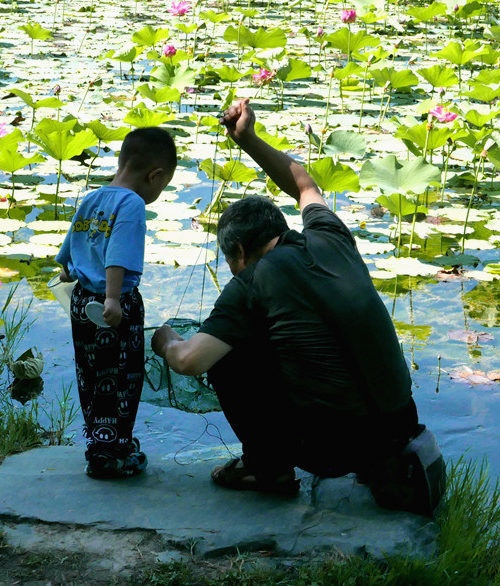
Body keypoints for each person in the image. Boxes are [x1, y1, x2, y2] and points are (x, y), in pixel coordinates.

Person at [151, 99, 444, 515]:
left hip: (336, 455)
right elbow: (305, 185)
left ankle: (267, 470)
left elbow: (189, 362)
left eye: (230, 262)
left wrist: (166, 340)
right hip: (400, 429)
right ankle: (359, 462)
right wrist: (248, 139)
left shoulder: (254, 281)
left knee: (227, 355)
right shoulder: (329, 235)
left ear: (237, 250)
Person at [56, 126, 177, 479]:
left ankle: (99, 443)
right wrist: (112, 298)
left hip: (81, 302)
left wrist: (72, 273)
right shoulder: (132, 204)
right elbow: (117, 255)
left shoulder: (93, 198)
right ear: (154, 176)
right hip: (113, 305)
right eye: (163, 185)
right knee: (122, 376)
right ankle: (114, 452)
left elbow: (66, 256)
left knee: (91, 373)